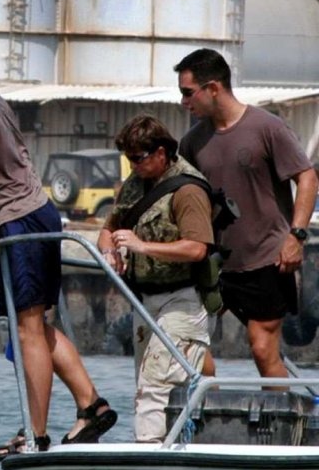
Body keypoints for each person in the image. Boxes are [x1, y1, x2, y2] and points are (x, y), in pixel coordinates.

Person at [0, 25, 117, 460]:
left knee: (27, 329)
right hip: (36, 212)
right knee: (32, 326)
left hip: (18, 223)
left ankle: (36, 433)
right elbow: (13, 164)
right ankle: (91, 404)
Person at [175, 48, 318, 381]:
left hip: (267, 258)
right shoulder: (192, 142)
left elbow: (307, 177)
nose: (183, 101)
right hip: (216, 262)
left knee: (262, 348)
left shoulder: (267, 127)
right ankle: (213, 415)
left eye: (187, 92)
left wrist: (296, 236)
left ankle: (282, 427)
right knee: (186, 341)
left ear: (213, 88)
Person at [98, 116, 214, 442]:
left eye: (138, 158)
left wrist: (140, 246)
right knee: (147, 380)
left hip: (183, 299)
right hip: (145, 301)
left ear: (161, 153)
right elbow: (108, 230)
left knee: (157, 382)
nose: (132, 166)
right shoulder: (135, 185)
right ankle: (170, 443)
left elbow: (197, 249)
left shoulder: (188, 190)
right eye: (128, 158)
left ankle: (148, 449)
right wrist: (110, 252)